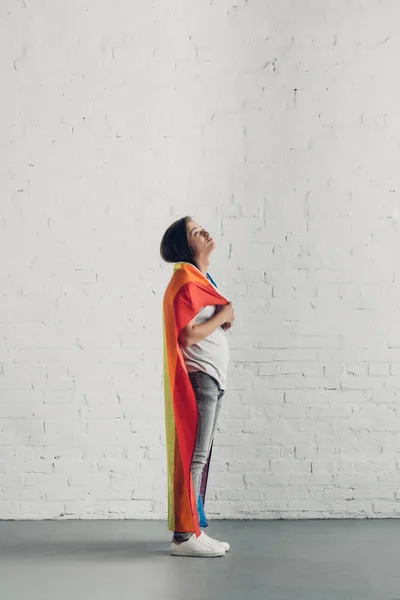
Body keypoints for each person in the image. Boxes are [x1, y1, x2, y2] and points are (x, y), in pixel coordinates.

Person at [160, 216, 234, 557]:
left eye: (200, 226)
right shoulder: (187, 281)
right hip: (200, 376)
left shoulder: (201, 280)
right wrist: (222, 316)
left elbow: (205, 324)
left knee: (199, 458)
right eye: (194, 231)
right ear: (185, 246)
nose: (203, 230)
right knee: (195, 457)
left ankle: (193, 530)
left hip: (212, 377)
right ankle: (184, 536)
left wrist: (222, 319)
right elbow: (187, 336)